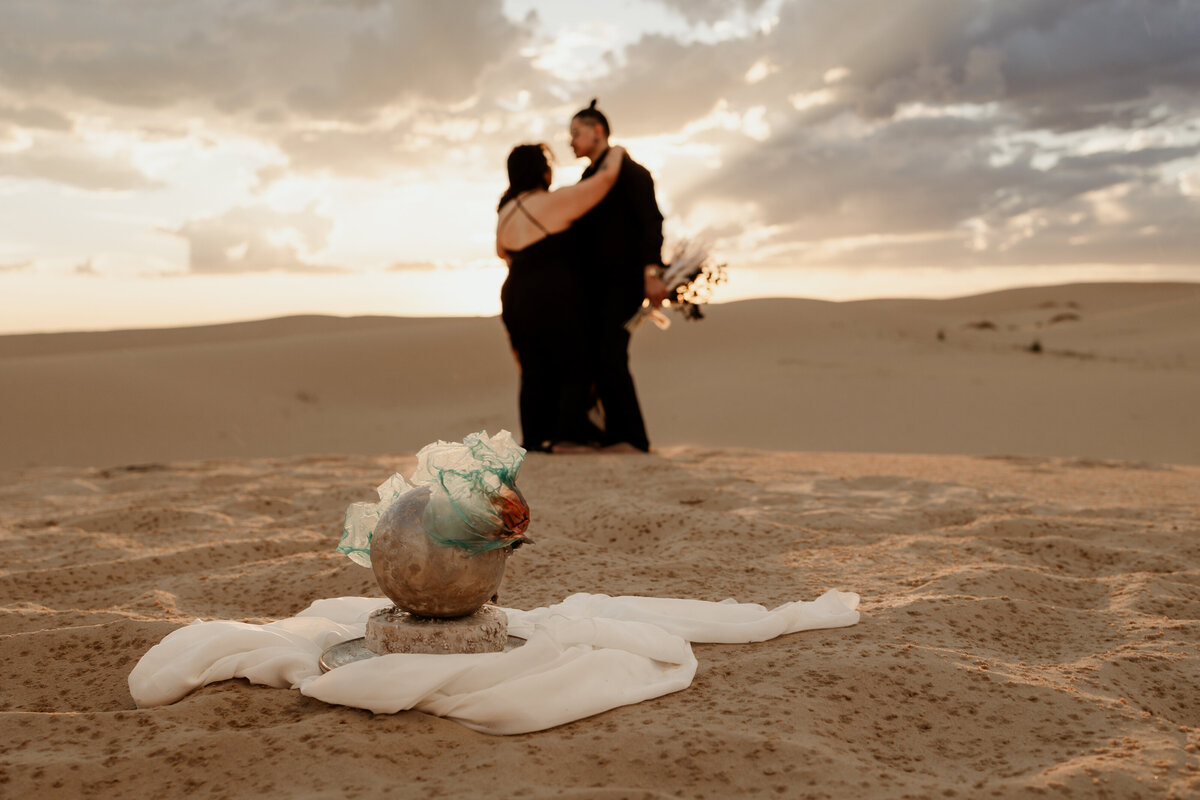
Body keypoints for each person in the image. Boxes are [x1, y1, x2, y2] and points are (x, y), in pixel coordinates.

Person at [496, 142, 626, 452]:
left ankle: (535, 438)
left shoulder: (505, 211)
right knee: (576, 360)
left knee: (532, 368)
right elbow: (604, 181)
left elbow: (503, 253)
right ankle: (567, 437)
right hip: (553, 293)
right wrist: (617, 151)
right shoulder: (551, 203)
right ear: (542, 171)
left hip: (515, 295)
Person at [569, 100, 667, 453]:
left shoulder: (632, 172)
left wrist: (652, 273)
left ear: (598, 132)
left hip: (625, 281)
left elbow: (651, 222)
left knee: (611, 352)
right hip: (594, 287)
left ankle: (633, 438)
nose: (571, 142)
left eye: (576, 133)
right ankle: (613, 434)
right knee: (597, 354)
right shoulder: (587, 179)